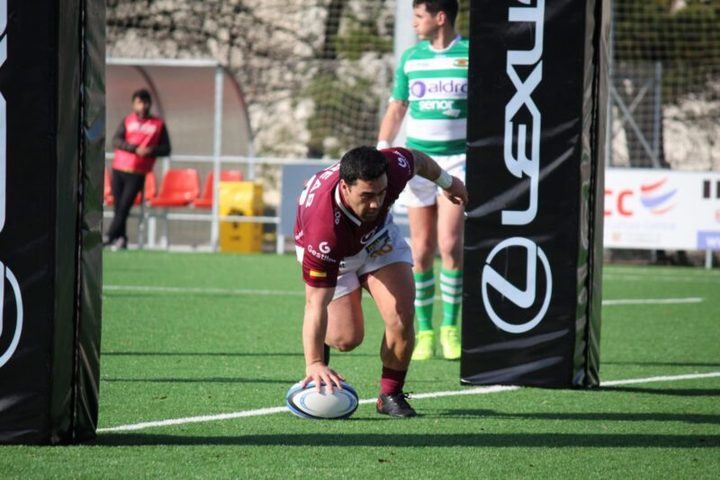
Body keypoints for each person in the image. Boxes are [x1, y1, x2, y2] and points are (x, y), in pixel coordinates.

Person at [294, 146, 467, 418]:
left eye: (381, 193)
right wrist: (314, 363)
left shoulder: (393, 167)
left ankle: (391, 394)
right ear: (345, 188)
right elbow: (315, 303)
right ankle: (323, 344)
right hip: (335, 256)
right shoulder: (323, 230)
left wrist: (449, 183)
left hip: (377, 239)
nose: (375, 203)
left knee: (401, 314)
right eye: (366, 196)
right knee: (345, 339)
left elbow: (418, 160)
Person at [377, 0, 468, 361]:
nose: (414, 22)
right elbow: (397, 106)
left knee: (449, 244)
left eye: (419, 16)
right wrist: (383, 148)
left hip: (458, 159)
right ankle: (425, 331)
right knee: (423, 249)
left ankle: (450, 328)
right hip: (418, 163)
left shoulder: (471, 55)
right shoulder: (411, 59)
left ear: (440, 17)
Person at [104, 89, 171, 250]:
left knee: (125, 205)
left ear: (149, 104)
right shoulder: (128, 121)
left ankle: (109, 236)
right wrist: (134, 148)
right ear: (133, 104)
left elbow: (166, 149)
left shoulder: (158, 124)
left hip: (137, 171)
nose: (142, 106)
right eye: (138, 102)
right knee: (118, 206)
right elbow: (116, 140)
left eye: (144, 102)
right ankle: (122, 239)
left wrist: (150, 151)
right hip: (119, 167)